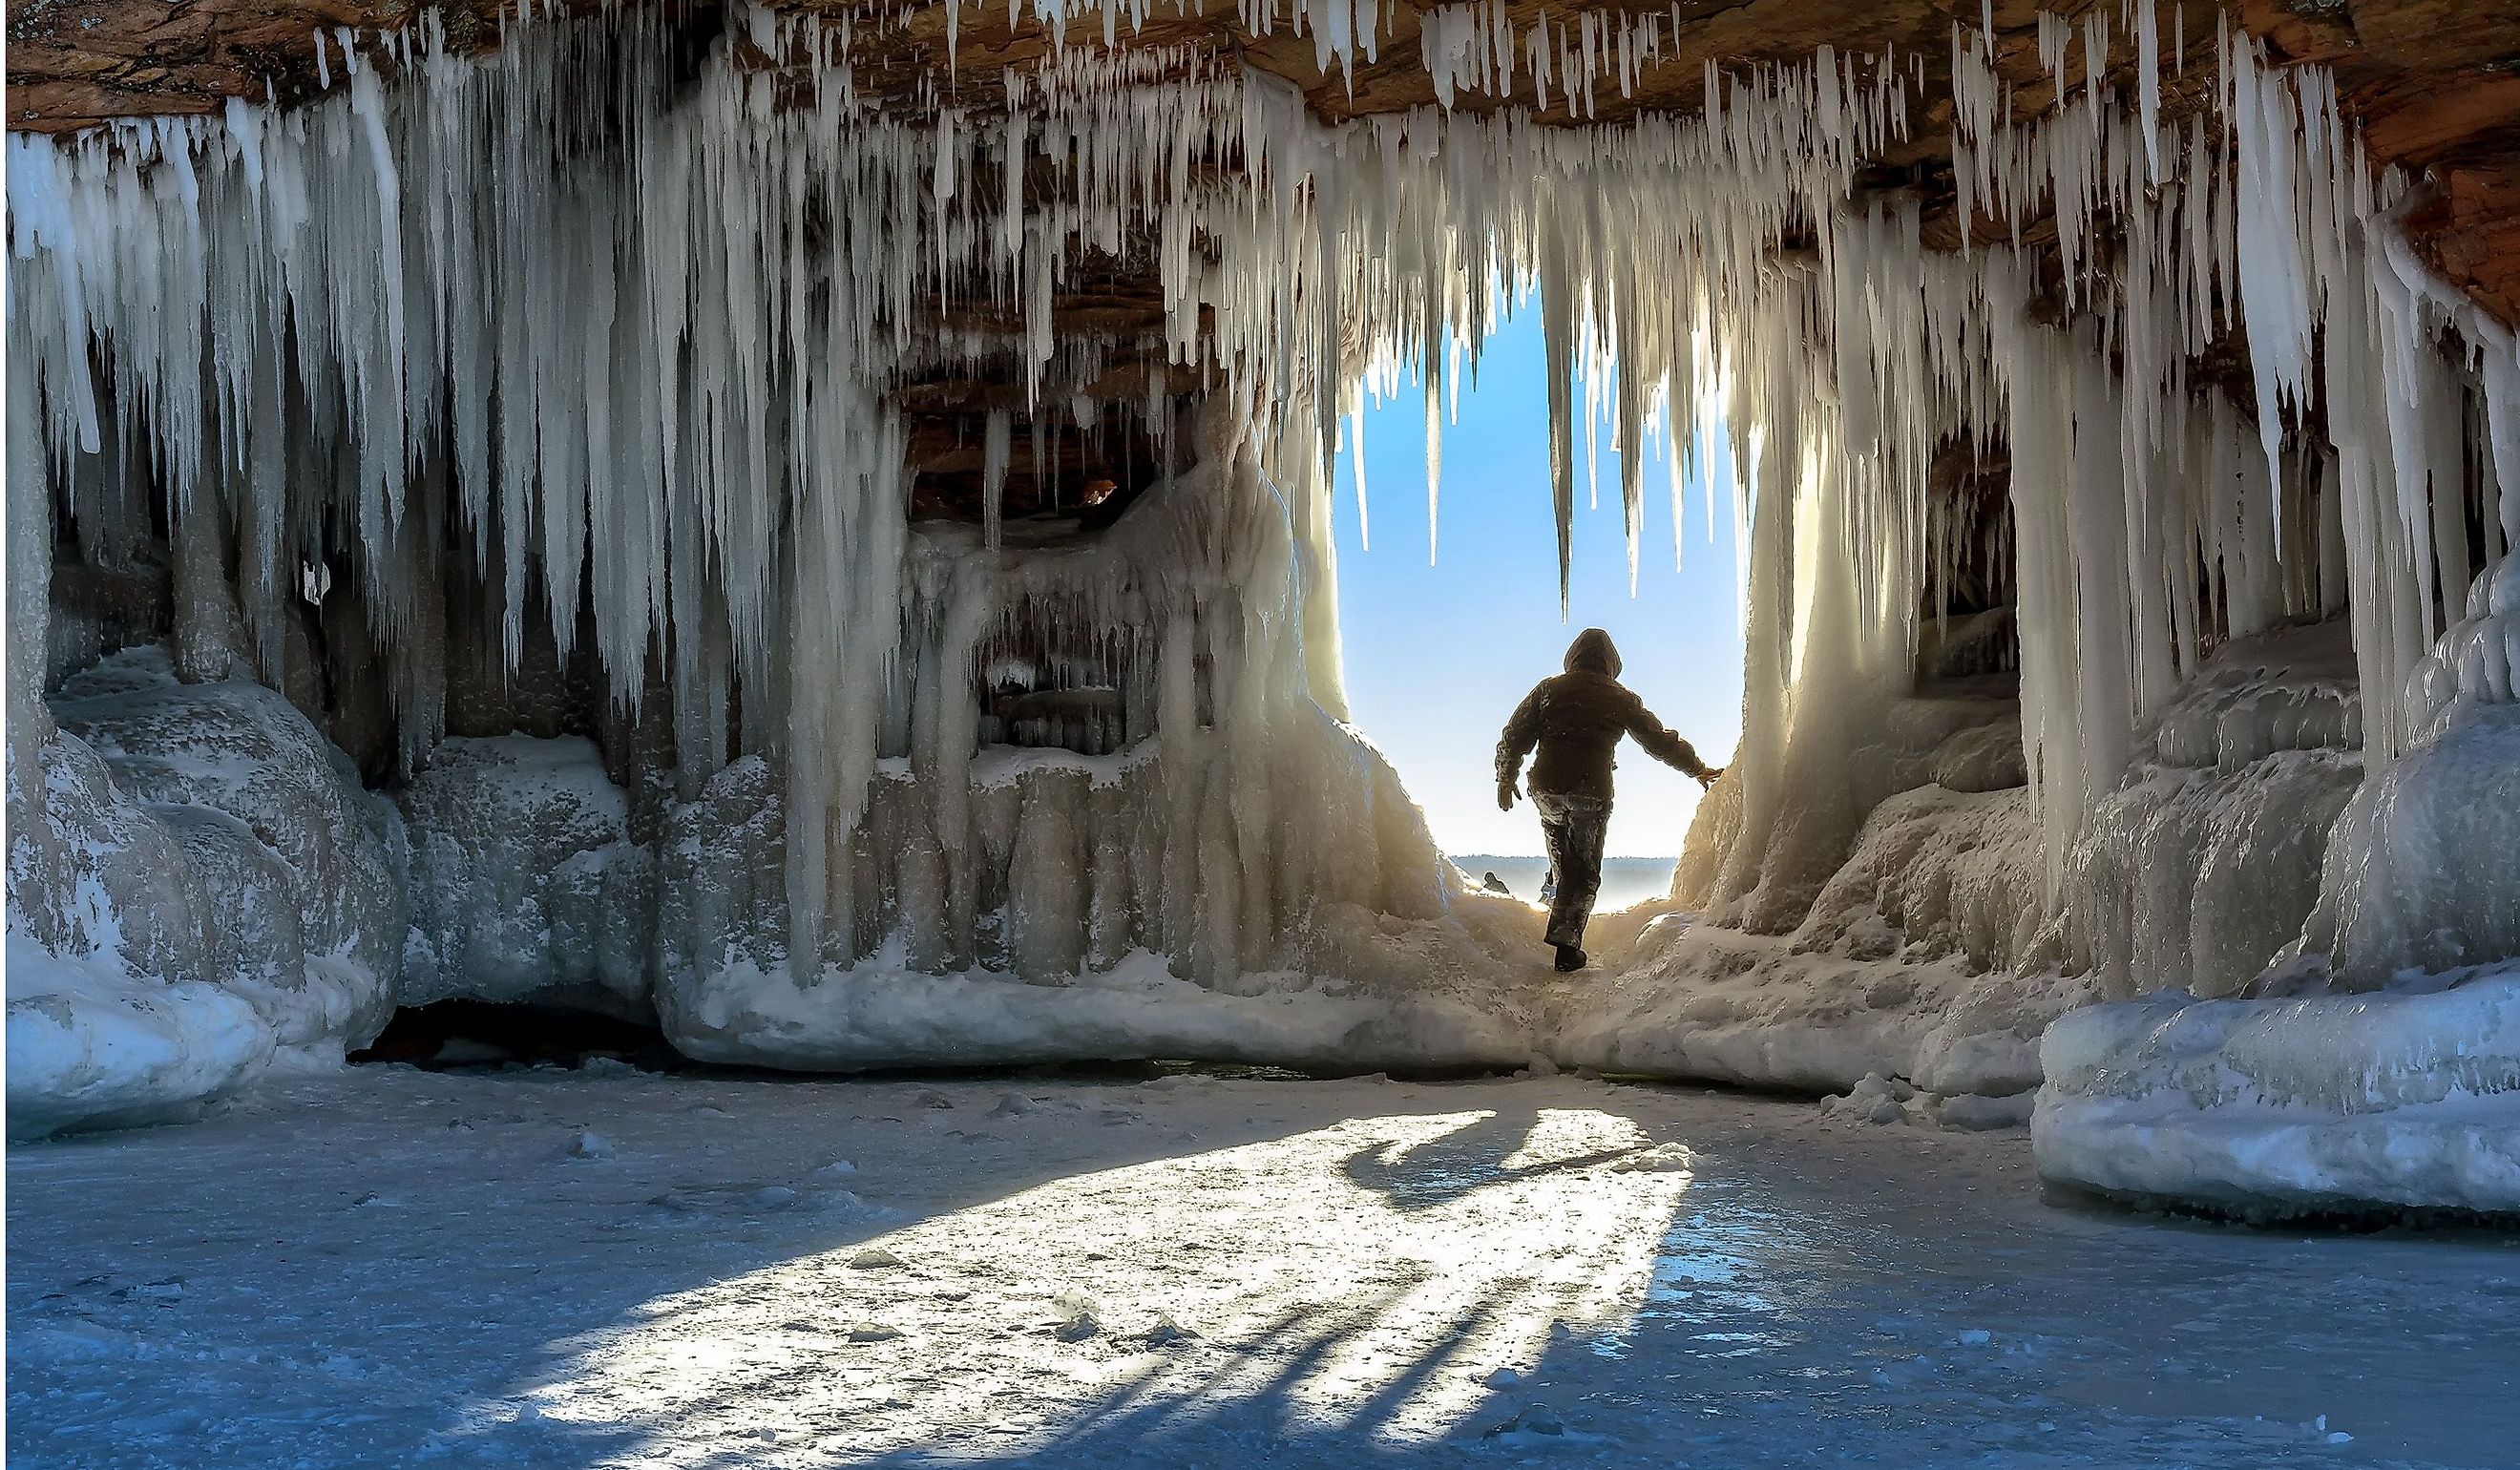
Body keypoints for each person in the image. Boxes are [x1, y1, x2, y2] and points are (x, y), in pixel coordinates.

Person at [1495, 628, 1723, 973]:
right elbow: (1659, 741)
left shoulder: (1548, 689)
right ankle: (1566, 947)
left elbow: (1515, 734)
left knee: (1562, 857)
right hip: (1590, 791)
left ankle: (1557, 909)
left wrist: (1505, 776)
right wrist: (1698, 769)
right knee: (1584, 871)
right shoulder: (1618, 696)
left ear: (1572, 658)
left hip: (1547, 788)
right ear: (1611, 663)